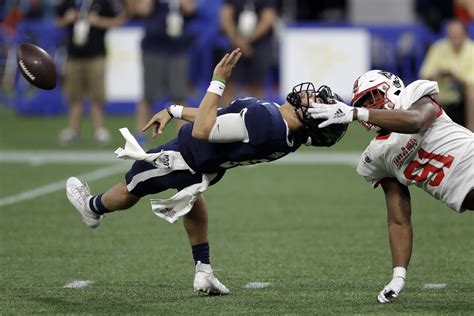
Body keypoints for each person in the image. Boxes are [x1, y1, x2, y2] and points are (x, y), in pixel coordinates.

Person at [65, 48, 348, 295]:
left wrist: (218, 80)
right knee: (194, 203)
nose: (311, 93)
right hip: (207, 168)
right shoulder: (289, 136)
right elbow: (217, 116)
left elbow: (203, 129)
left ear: (309, 119)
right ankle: (203, 269)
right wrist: (174, 111)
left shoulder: (267, 121)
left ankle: (92, 207)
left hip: (182, 157)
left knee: (131, 186)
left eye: (317, 101)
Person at [309, 69, 473, 303]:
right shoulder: (376, 156)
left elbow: (416, 121)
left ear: (392, 87)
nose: (370, 106)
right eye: (364, 103)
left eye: (372, 97)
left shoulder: (414, 95)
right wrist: (399, 275)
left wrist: (358, 112)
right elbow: (399, 219)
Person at [55, 0, 126, 145]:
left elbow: (118, 21)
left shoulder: (103, 3)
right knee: (74, 96)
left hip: (96, 56)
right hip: (74, 57)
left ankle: (99, 130)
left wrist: (98, 21)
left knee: (97, 96)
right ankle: (72, 130)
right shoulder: (69, 3)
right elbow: (57, 22)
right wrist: (66, 19)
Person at [133, 0, 197, 145]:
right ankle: (140, 134)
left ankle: (183, 135)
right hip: (153, 49)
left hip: (177, 49)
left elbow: (190, 9)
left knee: (179, 95)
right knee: (148, 94)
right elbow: (142, 9)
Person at [219, 0, 278, 105]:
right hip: (234, 43)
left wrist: (249, 39)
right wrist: (237, 40)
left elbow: (268, 17)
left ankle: (256, 117)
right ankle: (223, 117)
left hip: (260, 44)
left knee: (257, 85)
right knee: (228, 83)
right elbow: (226, 16)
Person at [419, 20, 474, 131]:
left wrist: (458, 78)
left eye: (458, 33)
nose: (455, 36)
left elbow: (471, 80)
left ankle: (471, 131)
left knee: (472, 95)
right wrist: (439, 73)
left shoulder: (471, 49)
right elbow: (424, 74)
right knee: (423, 93)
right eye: (452, 34)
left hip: (464, 95)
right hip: (442, 93)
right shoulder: (438, 48)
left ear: (466, 34)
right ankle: (429, 133)